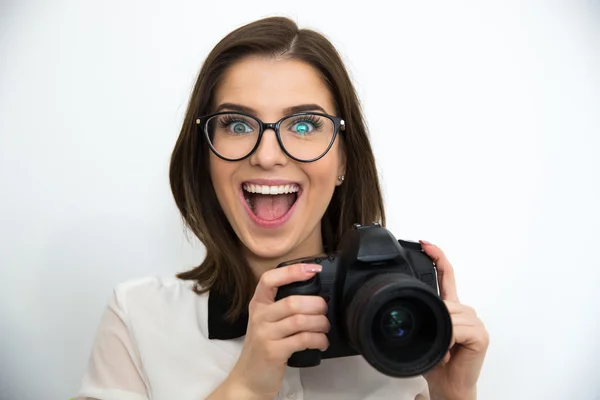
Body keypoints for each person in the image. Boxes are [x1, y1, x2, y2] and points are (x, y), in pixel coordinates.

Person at [76, 16, 489, 400]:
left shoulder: (413, 326)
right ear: (205, 155)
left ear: (344, 159)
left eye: (305, 125)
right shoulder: (138, 315)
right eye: (237, 125)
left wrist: (453, 396)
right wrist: (246, 386)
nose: (268, 156)